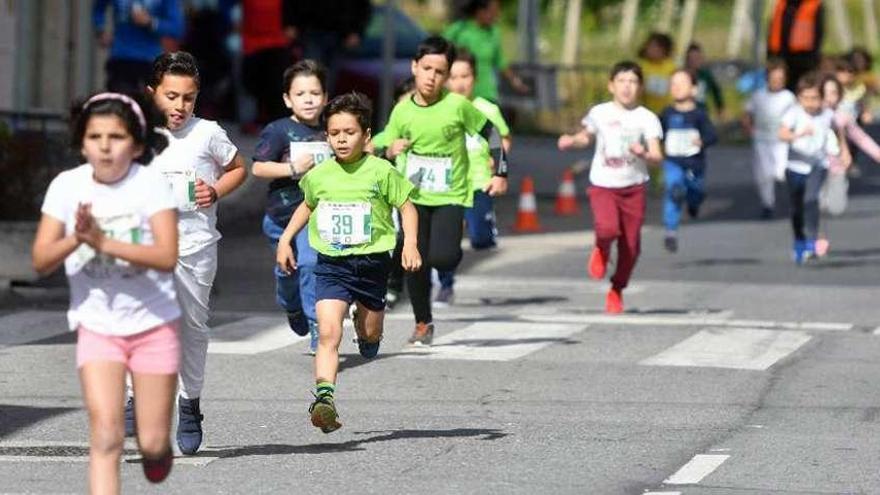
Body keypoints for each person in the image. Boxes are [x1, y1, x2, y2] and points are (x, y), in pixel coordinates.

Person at [32, 92, 179, 491]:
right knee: (106, 435)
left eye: (116, 137)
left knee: (149, 441)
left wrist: (102, 242)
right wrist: (77, 239)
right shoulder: (66, 186)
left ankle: (157, 449)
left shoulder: (149, 185)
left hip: (154, 324)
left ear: (136, 144)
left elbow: (166, 256)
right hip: (98, 328)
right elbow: (41, 260)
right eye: (95, 137)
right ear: (82, 143)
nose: (105, 146)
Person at [275, 92, 421, 433]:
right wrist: (286, 239)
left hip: (371, 264)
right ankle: (324, 397)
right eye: (335, 133)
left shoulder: (381, 171)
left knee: (371, 335)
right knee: (328, 332)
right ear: (327, 136)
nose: (342, 139)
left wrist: (410, 244)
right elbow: (307, 206)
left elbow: (407, 206)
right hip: (332, 264)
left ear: (366, 136)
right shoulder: (320, 175)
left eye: (349, 132)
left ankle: (367, 334)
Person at [144, 51, 248, 455]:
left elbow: (239, 166)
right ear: (153, 93)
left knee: (190, 328)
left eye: (188, 97)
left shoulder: (207, 133)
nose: (179, 106)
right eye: (171, 96)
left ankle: (189, 405)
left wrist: (216, 190)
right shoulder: (137, 134)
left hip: (195, 245)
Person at [379, 36, 509, 345]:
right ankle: (423, 322)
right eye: (426, 69)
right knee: (415, 259)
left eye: (440, 72)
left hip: (451, 194)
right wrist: (389, 149)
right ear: (415, 67)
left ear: (446, 75)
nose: (431, 77)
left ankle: (448, 257)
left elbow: (492, 135)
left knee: (444, 257)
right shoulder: (402, 111)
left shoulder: (457, 106)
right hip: (413, 197)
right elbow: (386, 144)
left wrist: (501, 171)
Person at [557, 61, 663, 314]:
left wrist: (645, 153)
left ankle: (617, 288)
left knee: (631, 248)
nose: (627, 87)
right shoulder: (599, 112)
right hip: (604, 184)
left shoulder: (647, 118)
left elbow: (657, 155)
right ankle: (601, 249)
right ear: (611, 85)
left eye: (633, 82)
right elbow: (587, 136)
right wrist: (572, 140)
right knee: (606, 227)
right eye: (622, 81)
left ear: (640, 87)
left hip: (634, 187)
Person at [252, 60, 330, 354]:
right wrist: (292, 168)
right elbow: (258, 169)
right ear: (287, 99)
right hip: (280, 216)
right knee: (289, 273)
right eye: (300, 94)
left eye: (315, 92)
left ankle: (315, 327)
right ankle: (292, 306)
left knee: (310, 263)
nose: (308, 99)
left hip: (314, 216)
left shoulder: (331, 129)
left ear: (325, 96)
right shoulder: (278, 131)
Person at [435, 49, 512, 306]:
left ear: (475, 78)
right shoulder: (440, 109)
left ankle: (487, 228)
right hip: (449, 185)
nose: (459, 82)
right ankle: (446, 286)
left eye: (465, 76)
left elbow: (503, 138)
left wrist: (499, 165)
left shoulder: (486, 108)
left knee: (480, 240)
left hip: (480, 182)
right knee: (448, 242)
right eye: (453, 77)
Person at [778, 72, 842, 264]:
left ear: (822, 98)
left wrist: (842, 151)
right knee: (796, 208)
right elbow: (782, 134)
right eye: (806, 98)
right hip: (795, 166)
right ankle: (799, 239)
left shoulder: (827, 114)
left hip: (818, 164)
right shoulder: (794, 113)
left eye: (814, 98)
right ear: (799, 97)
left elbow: (838, 133)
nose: (810, 103)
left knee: (811, 199)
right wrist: (798, 134)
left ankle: (812, 239)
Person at [659, 69, 718, 253]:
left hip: (694, 164)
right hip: (673, 162)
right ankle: (670, 231)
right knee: (674, 190)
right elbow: (655, 134)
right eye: (673, 84)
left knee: (695, 190)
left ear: (693, 89)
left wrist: (702, 141)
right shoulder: (666, 114)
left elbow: (712, 135)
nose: (676, 87)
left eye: (682, 83)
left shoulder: (699, 115)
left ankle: (694, 203)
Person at [371, 78, 417, 309]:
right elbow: (364, 153)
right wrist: (387, 152)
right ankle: (392, 283)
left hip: (426, 198)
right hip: (392, 202)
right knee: (396, 239)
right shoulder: (384, 137)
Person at [443, 0, 529, 103]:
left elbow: (500, 61)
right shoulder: (459, 29)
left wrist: (515, 81)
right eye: (492, 12)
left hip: (487, 94)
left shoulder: (494, 32)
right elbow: (440, 50)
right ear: (480, 11)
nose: (496, 16)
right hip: (461, 92)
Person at [92, 0, 185, 93]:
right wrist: (100, 31)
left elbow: (177, 29)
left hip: (149, 60)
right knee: (121, 104)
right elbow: (98, 9)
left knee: (149, 104)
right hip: (121, 58)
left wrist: (150, 22)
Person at [743, 59, 796, 219]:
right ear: (767, 79)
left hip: (781, 140)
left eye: (780, 79)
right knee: (764, 175)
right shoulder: (759, 96)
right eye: (774, 79)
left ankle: (788, 195)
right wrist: (749, 128)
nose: (777, 82)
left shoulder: (788, 97)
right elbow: (747, 114)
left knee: (779, 172)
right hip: (761, 139)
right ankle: (768, 204)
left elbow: (795, 117)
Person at [285, 1, 372, 94]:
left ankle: (321, 105)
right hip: (311, 30)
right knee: (312, 77)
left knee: (327, 80)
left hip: (339, 33)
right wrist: (290, 22)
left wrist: (357, 30)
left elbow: (363, 5)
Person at [241, 0, 295, 127]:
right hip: (252, 43)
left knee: (276, 85)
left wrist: (291, 25)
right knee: (252, 84)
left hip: (276, 41)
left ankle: (278, 121)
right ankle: (253, 119)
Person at [767, 0, 824, 93]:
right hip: (780, 56)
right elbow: (772, 28)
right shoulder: (781, 4)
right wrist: (770, 55)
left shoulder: (814, 5)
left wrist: (813, 59)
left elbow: (818, 34)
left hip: (804, 59)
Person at [637, 32, 676, 115]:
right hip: (645, 111)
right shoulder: (641, 66)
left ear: (664, 49)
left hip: (666, 113)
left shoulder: (671, 67)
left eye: (655, 47)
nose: (650, 49)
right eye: (649, 46)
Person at [684, 42, 726, 119]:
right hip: (685, 112)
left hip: (701, 112)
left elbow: (716, 91)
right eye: (692, 59)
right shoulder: (681, 75)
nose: (695, 61)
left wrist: (720, 107)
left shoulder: (705, 75)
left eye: (697, 58)